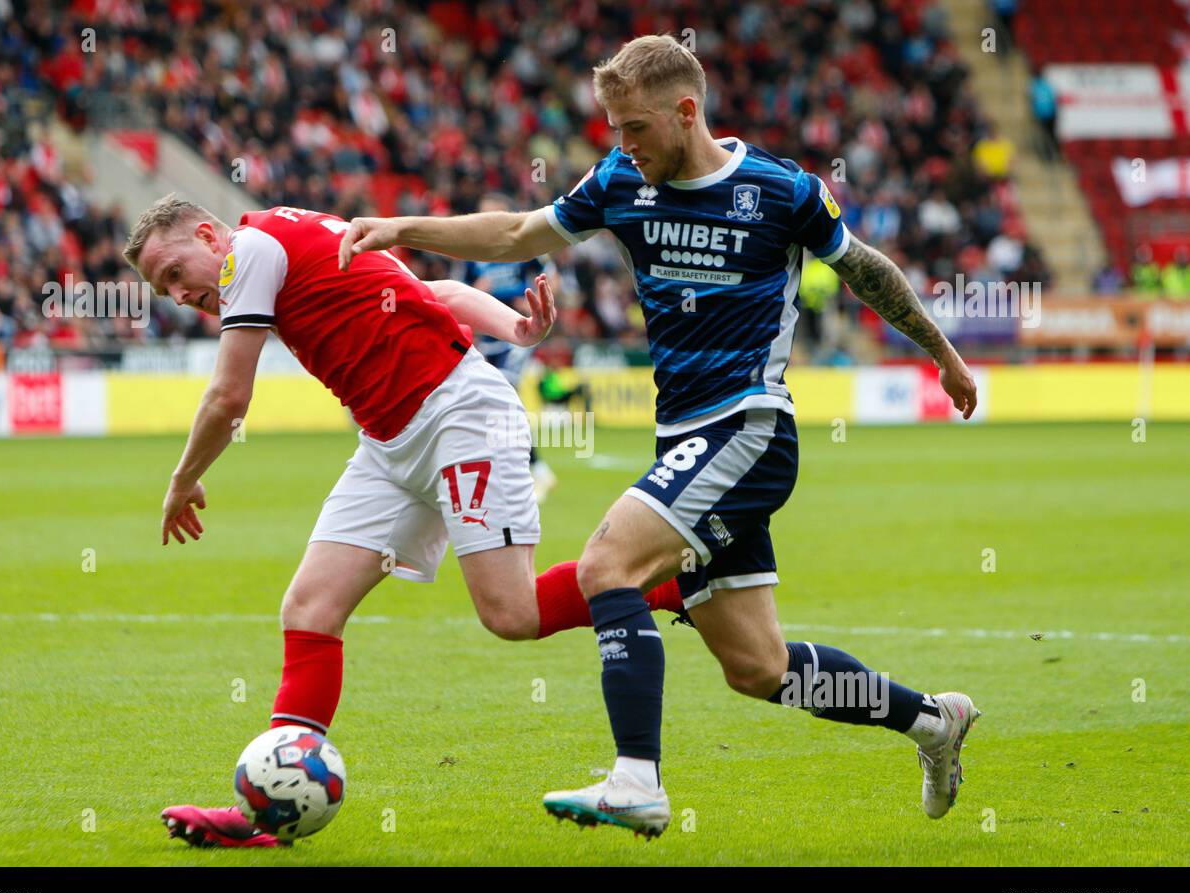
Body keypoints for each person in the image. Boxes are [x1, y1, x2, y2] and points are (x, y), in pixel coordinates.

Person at [340, 34, 982, 838]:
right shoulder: (619, 182)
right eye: (611, 128)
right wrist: (403, 229)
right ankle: (932, 722)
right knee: (759, 669)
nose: (621, 144)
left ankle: (636, 780)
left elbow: (866, 271)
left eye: (634, 127)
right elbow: (516, 234)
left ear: (686, 113)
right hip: (683, 437)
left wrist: (944, 355)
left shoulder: (780, 190)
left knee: (610, 563)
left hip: (746, 428)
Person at [121, 195, 684, 846]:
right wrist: (514, 327)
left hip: (459, 418)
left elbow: (229, 395)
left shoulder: (248, 253)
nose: (179, 294)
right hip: (389, 445)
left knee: (512, 614)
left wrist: (184, 478)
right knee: (309, 608)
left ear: (206, 235)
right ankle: (269, 817)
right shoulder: (288, 233)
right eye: (163, 289)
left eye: (173, 273)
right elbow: (424, 290)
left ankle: (673, 586)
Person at [458, 193, 561, 502]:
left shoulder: (520, 247)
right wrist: (476, 292)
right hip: (489, 338)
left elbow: (552, 277)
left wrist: (538, 302)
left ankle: (535, 470)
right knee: (495, 401)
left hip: (517, 333)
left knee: (502, 395)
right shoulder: (471, 255)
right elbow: (460, 293)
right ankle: (523, 468)